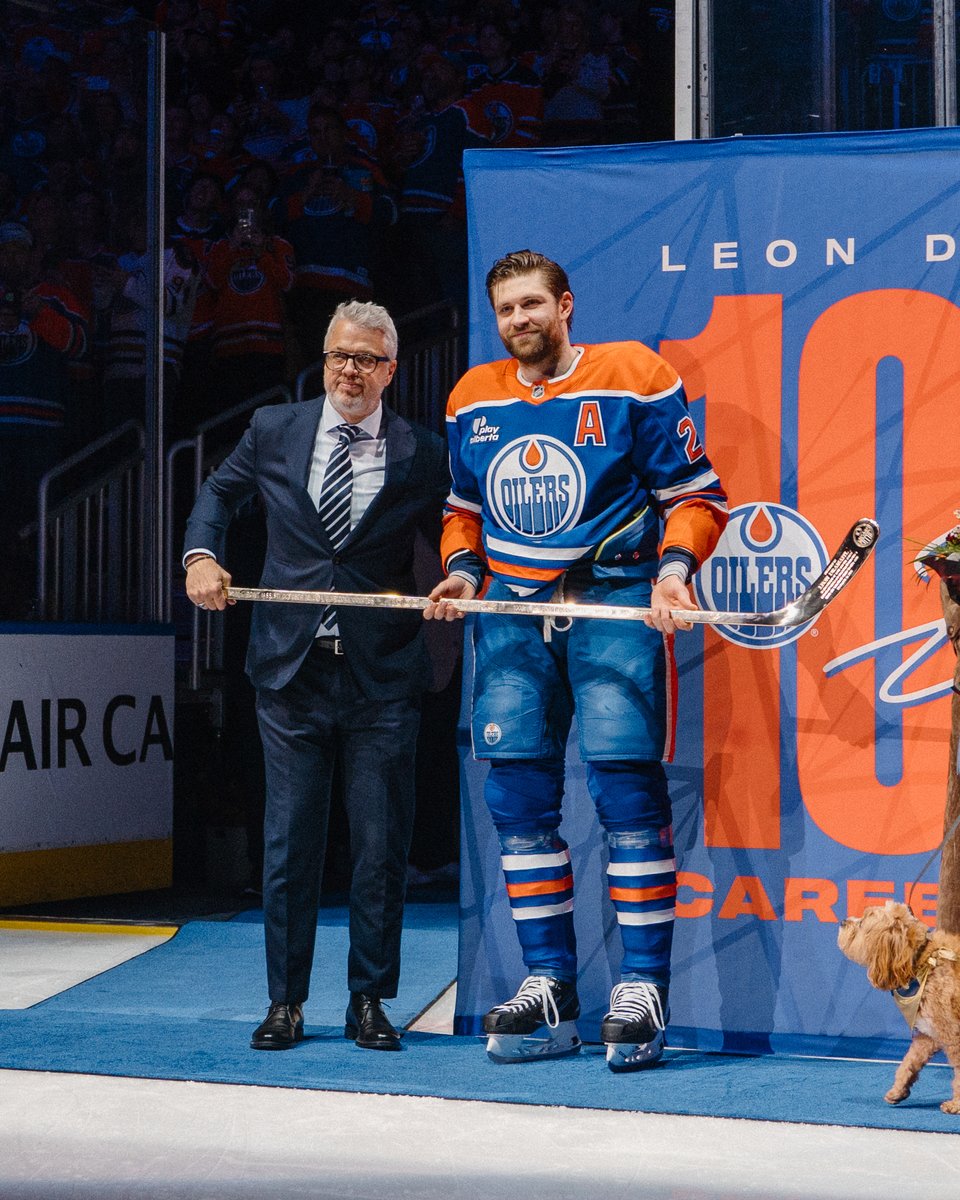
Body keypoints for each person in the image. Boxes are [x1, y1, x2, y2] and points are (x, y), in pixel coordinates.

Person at [424, 249, 729, 1071]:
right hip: (514, 615)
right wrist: (459, 571)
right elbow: (462, 508)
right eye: (505, 310)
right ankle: (550, 985)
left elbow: (695, 494)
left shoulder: (634, 374)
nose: (518, 320)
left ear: (565, 305)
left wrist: (673, 573)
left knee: (626, 789)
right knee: (517, 796)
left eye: (532, 305)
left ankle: (642, 989)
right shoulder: (471, 396)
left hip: (615, 601)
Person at [183, 299, 450, 1053]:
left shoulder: (421, 451)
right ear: (323, 359)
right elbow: (216, 495)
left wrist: (460, 575)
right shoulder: (275, 430)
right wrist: (201, 556)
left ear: (391, 370)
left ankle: (369, 1000)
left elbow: (457, 530)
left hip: (382, 678)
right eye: (339, 355)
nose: (350, 371)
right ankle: (285, 1003)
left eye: (366, 359)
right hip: (289, 674)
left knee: (378, 847)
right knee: (290, 846)